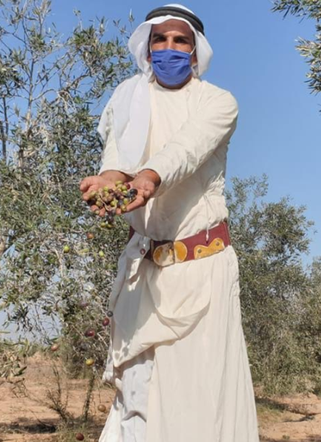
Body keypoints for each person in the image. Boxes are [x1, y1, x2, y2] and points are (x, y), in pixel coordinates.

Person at [79, 4, 259, 441]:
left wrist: (149, 176)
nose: (170, 48)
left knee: (200, 396)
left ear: (196, 52)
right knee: (138, 394)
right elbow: (117, 158)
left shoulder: (217, 102)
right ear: (147, 46)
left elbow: (186, 149)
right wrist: (109, 180)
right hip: (144, 272)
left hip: (202, 269)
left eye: (181, 41)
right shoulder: (127, 97)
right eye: (160, 39)